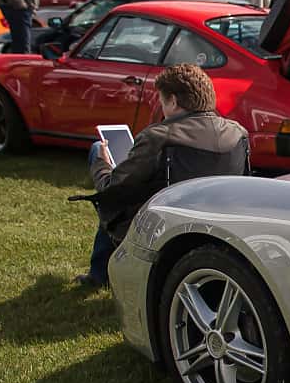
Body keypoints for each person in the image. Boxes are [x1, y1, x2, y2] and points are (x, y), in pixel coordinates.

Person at [78, 62, 249, 289]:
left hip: (160, 225)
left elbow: (112, 188)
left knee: (99, 154)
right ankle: (98, 273)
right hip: (220, 220)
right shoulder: (238, 132)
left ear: (173, 101)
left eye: (162, 100)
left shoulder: (158, 137)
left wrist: (101, 162)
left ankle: (98, 274)